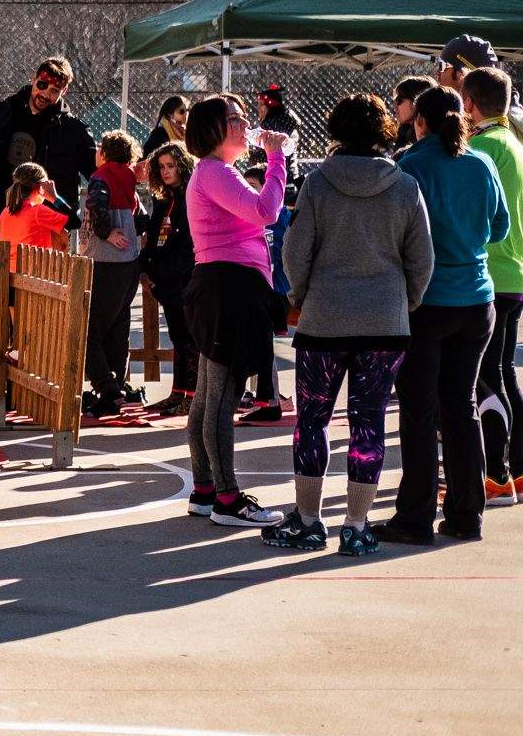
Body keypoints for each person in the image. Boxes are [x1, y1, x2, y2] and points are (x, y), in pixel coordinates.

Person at [262, 93, 432, 555]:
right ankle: (356, 525)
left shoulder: (318, 184)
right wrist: (404, 302)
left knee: (312, 421)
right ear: (384, 131)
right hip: (385, 323)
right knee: (369, 423)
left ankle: (308, 520)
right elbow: (422, 258)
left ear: (336, 129)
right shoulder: (405, 186)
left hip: (324, 320)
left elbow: (295, 252)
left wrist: (300, 297)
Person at [379, 86, 510, 545]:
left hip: (427, 302)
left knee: (419, 411)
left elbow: (394, 233)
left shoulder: (410, 166)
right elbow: (500, 228)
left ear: (420, 122)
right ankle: (466, 513)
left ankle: (415, 516)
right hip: (476, 299)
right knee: (461, 406)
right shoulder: (481, 162)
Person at [182, 94, 288, 528]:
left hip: (224, 286)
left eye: (243, 118)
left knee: (209, 397)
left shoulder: (215, 171)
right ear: (212, 129)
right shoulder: (214, 171)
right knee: (221, 399)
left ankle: (205, 489)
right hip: (228, 289)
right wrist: (277, 159)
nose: (245, 125)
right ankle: (227, 499)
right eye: (234, 119)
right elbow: (266, 211)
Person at [0, 56, 97, 325]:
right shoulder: (2, 115)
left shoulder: (72, 130)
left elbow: (95, 174)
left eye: (54, 90)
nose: (46, 94)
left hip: (44, 222)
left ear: (64, 91)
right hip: (2, 216)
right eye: (42, 85)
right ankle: (0, 349)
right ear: (33, 80)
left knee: (44, 289)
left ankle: (34, 348)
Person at [465, 66, 523, 505]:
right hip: (513, 272)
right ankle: (515, 468)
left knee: (486, 379)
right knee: (501, 372)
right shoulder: (513, 142)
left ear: (469, 103)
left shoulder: (483, 147)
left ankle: (498, 476)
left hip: (493, 273)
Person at [81, 131, 146, 416]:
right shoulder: (129, 179)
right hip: (129, 262)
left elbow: (96, 204)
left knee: (89, 330)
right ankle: (116, 383)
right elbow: (140, 216)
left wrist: (106, 232)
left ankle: (107, 388)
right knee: (118, 327)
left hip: (105, 260)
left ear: (105, 153)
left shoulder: (101, 177)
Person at [140, 144, 198, 416]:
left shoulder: (190, 197)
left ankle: (193, 397)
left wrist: (161, 274)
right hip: (166, 281)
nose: (165, 171)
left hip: (184, 279)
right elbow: (153, 237)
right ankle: (178, 392)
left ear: (182, 166)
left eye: (171, 166)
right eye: (161, 167)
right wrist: (147, 269)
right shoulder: (165, 199)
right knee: (177, 336)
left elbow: (188, 246)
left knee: (189, 337)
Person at [237, 163, 292, 423]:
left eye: (253, 186)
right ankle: (264, 396)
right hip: (260, 287)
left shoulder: (277, 218)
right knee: (258, 343)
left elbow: (278, 254)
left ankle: (270, 400)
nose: (248, 191)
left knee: (262, 345)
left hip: (274, 290)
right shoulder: (251, 214)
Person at [439, 34, 523, 138]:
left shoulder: (498, 130)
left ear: (462, 73)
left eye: (442, 66)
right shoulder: (497, 119)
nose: (438, 73)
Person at [0, 161, 70, 250]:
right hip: (34, 259)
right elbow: (72, 224)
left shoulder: (5, 212)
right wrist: (54, 198)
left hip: (9, 260)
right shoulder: (38, 211)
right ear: (40, 187)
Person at [392, 75, 436, 156]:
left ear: (416, 101)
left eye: (400, 100)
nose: (395, 106)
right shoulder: (404, 134)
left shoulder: (430, 137)